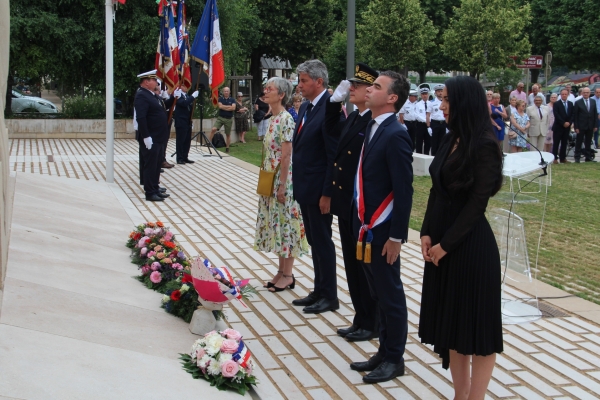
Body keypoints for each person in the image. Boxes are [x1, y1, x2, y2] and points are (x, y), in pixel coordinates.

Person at [419, 75, 504, 399]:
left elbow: (476, 204)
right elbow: (437, 188)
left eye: (447, 99)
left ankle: (475, 396)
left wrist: (446, 244)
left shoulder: (484, 144)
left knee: (477, 331)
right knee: (453, 328)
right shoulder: (450, 136)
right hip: (441, 245)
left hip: (469, 249)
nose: (441, 105)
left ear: (464, 102)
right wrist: (427, 232)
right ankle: (460, 394)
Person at [348, 70, 413, 383]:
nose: (368, 89)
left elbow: (404, 189)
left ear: (392, 98)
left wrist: (397, 236)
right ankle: (383, 351)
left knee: (390, 294)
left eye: (376, 86)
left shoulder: (395, 133)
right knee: (377, 291)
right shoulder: (373, 126)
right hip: (368, 226)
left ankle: (395, 357)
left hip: (385, 230)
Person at [324, 63, 379, 342]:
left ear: (371, 90)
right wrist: (334, 102)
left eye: (356, 85)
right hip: (346, 204)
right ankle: (361, 318)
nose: (352, 89)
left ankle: (372, 321)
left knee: (364, 268)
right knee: (352, 265)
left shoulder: (373, 121)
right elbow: (331, 129)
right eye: (351, 85)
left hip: (363, 209)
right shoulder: (356, 117)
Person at [290, 59, 341, 314]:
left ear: (319, 81)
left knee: (322, 241)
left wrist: (327, 193)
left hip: (318, 189)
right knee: (313, 240)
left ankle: (330, 295)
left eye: (304, 81)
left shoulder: (329, 109)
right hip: (305, 186)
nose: (299, 86)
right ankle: (319, 289)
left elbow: (333, 155)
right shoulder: (308, 107)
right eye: (299, 81)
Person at [254, 78, 309, 291]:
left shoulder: (286, 119)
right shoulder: (273, 117)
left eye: (270, 89)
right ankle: (280, 271)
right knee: (276, 224)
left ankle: (288, 274)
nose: (265, 91)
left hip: (282, 178)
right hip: (271, 176)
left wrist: (283, 185)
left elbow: (286, 155)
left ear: (281, 95)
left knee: (286, 225)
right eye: (265, 87)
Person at [134, 69, 175, 202]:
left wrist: (175, 97)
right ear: (146, 82)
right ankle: (150, 192)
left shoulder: (152, 95)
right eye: (153, 80)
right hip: (151, 137)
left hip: (159, 136)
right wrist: (146, 136)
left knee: (157, 164)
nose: (156, 82)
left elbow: (164, 107)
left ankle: (155, 188)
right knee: (150, 165)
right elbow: (141, 117)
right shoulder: (142, 95)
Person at [572, 87, 598, 162]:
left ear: (589, 93)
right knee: (579, 142)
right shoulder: (578, 102)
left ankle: (588, 157)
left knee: (588, 142)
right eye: (584, 92)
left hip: (590, 125)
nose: (586, 94)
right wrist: (576, 127)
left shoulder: (593, 101)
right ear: (582, 93)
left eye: (587, 92)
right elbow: (575, 115)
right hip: (581, 126)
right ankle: (577, 157)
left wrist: (595, 125)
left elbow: (594, 114)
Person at [174, 89, 199, 164]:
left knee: (187, 141)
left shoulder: (186, 95)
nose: (186, 87)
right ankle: (180, 158)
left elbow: (189, 107)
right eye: (184, 85)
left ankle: (185, 157)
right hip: (181, 121)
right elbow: (184, 103)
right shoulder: (178, 95)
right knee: (181, 141)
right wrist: (193, 96)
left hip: (188, 121)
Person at [209, 87, 236, 153]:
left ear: (229, 92)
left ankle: (227, 148)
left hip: (228, 119)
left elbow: (233, 108)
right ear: (223, 92)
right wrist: (229, 107)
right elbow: (220, 106)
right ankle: (209, 143)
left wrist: (224, 107)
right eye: (225, 91)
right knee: (213, 129)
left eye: (227, 91)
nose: (226, 92)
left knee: (228, 134)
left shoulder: (232, 100)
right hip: (221, 118)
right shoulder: (220, 99)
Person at [552, 88, 574, 163]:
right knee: (556, 143)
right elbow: (556, 115)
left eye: (565, 94)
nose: (564, 95)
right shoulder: (556, 104)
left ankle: (563, 158)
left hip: (567, 127)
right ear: (560, 95)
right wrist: (563, 123)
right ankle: (554, 158)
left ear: (568, 95)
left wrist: (569, 122)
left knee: (564, 143)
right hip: (558, 127)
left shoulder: (570, 104)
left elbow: (572, 114)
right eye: (563, 94)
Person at [430, 84, 447, 156]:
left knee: (442, 142)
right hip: (435, 123)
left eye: (441, 91)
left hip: (443, 123)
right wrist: (429, 126)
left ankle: (440, 157)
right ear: (435, 93)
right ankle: (434, 156)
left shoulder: (446, 102)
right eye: (438, 91)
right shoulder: (432, 102)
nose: (440, 93)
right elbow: (429, 115)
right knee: (434, 142)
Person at [415, 87, 431, 154]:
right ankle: (419, 155)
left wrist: (428, 122)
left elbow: (432, 114)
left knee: (428, 141)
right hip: (421, 125)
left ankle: (426, 155)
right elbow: (417, 115)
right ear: (421, 95)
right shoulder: (417, 104)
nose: (425, 95)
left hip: (429, 125)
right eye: (423, 94)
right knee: (419, 141)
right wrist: (426, 120)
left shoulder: (431, 104)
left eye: (426, 94)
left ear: (428, 95)